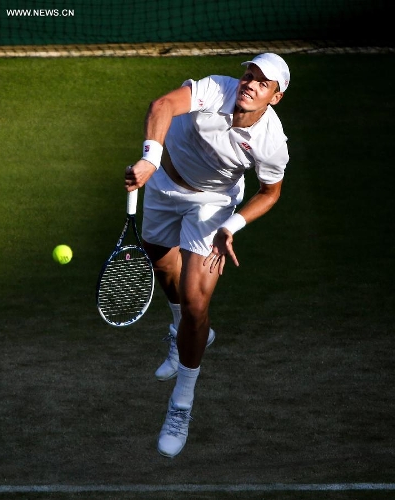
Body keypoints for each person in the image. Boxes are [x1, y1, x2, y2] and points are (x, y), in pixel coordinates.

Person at [125, 52, 290, 458]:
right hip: (163, 183)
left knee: (197, 302)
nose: (250, 84)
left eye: (262, 83)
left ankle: (181, 403)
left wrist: (232, 225)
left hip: (212, 205)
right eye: (249, 75)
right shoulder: (218, 88)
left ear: (275, 96)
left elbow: (270, 192)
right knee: (163, 266)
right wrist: (150, 158)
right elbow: (162, 105)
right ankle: (178, 329)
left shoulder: (271, 142)